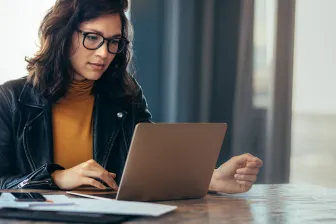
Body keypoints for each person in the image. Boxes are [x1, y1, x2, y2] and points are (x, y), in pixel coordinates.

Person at [0, 0, 262, 193]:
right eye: (92, 38)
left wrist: (211, 179)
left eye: (114, 41)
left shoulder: (125, 94)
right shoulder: (11, 99)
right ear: (62, 35)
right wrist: (56, 177)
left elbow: (150, 169)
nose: (104, 53)